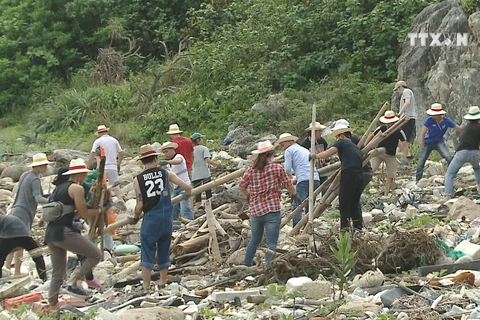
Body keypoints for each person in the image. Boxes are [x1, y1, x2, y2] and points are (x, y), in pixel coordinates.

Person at [128, 144, 192, 290]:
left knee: (147, 250)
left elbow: (139, 204)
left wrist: (136, 217)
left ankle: (146, 285)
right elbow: (187, 187)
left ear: (142, 162)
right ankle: (163, 283)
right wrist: (187, 195)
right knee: (164, 249)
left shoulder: (138, 179)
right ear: (156, 159)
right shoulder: (166, 173)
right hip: (166, 218)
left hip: (151, 218)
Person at [45, 159, 103, 308]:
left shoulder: (58, 188)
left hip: (51, 233)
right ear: (81, 174)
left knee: (57, 273)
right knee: (95, 254)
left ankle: (52, 304)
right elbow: (83, 213)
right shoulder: (76, 189)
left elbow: (71, 213)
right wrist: (99, 210)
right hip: (64, 232)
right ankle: (75, 280)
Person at [239, 141, 298, 265]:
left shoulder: (251, 171)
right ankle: (268, 267)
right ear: (272, 154)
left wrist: (249, 196)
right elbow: (288, 185)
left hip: (255, 211)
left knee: (255, 240)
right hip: (272, 209)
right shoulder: (277, 168)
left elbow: (242, 185)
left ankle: (247, 264)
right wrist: (294, 195)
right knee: (271, 242)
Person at [6, 153, 50, 276]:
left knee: (12, 241)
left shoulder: (25, 175)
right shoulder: (35, 179)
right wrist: (52, 201)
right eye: (45, 165)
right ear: (39, 166)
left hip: (15, 210)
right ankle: (17, 272)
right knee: (21, 242)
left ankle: (7, 268)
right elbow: (38, 198)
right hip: (24, 213)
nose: (46, 168)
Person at [315, 123, 364, 230]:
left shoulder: (342, 143)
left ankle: (344, 228)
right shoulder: (354, 146)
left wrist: (315, 156)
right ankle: (358, 226)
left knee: (344, 202)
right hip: (359, 174)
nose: (337, 138)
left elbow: (327, 153)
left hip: (349, 174)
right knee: (354, 202)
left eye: (337, 136)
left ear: (341, 135)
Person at [275, 133, 320, 227]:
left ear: (290, 141)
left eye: (283, 144)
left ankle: (296, 227)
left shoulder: (289, 150)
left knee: (298, 205)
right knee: (310, 205)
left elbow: (287, 169)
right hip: (315, 178)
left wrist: (289, 179)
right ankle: (307, 226)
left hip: (304, 179)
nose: (282, 147)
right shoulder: (303, 149)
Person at [336, 119, 373, 216]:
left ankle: (349, 225)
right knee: (353, 200)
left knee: (350, 200)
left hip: (360, 171)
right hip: (360, 172)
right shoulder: (349, 139)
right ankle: (357, 225)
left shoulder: (350, 140)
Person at [366, 111, 408, 196]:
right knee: (370, 170)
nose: (389, 125)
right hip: (378, 153)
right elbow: (371, 135)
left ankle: (385, 194)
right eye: (387, 123)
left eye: (390, 123)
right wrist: (365, 146)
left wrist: (406, 154)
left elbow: (405, 142)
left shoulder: (399, 131)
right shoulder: (381, 128)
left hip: (390, 155)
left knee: (391, 175)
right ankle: (364, 189)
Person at [416, 103, 461, 181]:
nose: (432, 116)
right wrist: (422, 143)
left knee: (448, 157)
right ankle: (418, 179)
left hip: (439, 141)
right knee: (421, 161)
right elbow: (423, 133)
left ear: (439, 114)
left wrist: (464, 134)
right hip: (428, 142)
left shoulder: (447, 121)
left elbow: (458, 128)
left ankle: (453, 175)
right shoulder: (429, 120)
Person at [444, 106, 480, 201]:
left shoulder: (465, 128)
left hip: (462, 152)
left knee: (450, 174)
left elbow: (461, 140)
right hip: (475, 152)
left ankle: (448, 195)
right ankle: (479, 186)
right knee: (476, 168)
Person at [0, 215, 47, 281]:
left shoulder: (2, 219)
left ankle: (0, 280)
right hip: (25, 237)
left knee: (0, 257)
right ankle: (43, 278)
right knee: (38, 256)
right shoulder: (7, 218)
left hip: (9, 237)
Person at [161, 141, 194, 227]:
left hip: (184, 185)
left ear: (172, 149)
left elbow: (178, 161)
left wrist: (167, 162)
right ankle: (175, 226)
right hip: (176, 188)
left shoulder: (179, 156)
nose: (165, 154)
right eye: (164, 152)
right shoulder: (169, 164)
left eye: (166, 151)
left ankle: (191, 224)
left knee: (185, 208)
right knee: (173, 209)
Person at [87, 125, 125, 200]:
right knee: (116, 186)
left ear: (99, 133)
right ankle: (121, 201)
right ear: (106, 132)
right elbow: (121, 153)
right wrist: (118, 163)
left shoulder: (97, 141)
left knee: (101, 185)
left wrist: (87, 166)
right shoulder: (114, 140)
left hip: (102, 168)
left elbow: (92, 153)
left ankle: (104, 202)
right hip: (113, 166)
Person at [190, 132, 222, 210]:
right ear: (198, 140)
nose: (202, 140)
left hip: (195, 175)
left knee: (197, 194)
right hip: (204, 174)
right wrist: (217, 164)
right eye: (201, 138)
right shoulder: (204, 148)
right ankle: (209, 209)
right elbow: (207, 160)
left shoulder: (191, 150)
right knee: (208, 192)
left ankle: (197, 209)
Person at [301, 121, 329, 190]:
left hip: (323, 168)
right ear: (314, 132)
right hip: (312, 171)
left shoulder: (322, 140)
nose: (321, 133)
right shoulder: (305, 144)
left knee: (325, 188)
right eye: (319, 131)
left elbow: (327, 150)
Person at [394, 80, 417, 163]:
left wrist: (400, 113)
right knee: (404, 140)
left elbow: (407, 102)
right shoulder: (408, 92)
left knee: (402, 140)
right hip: (408, 119)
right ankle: (409, 157)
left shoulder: (406, 91)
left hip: (407, 118)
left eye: (397, 89)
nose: (397, 92)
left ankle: (407, 158)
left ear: (400, 87)